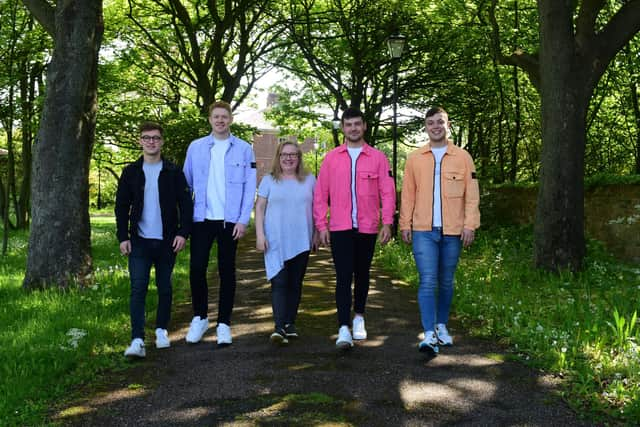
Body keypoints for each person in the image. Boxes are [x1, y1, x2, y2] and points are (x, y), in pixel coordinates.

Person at [399, 107, 480, 355]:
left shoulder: (463, 157)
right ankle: (428, 333)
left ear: (448, 125)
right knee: (428, 281)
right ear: (425, 127)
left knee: (446, 281)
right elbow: (408, 194)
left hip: (453, 231)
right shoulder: (414, 158)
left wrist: (470, 224)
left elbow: (472, 194)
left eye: (440, 122)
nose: (435, 126)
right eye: (431, 122)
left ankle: (442, 326)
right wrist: (405, 223)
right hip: (423, 230)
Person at [313, 107, 396, 349]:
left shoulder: (378, 158)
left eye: (357, 124)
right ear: (343, 128)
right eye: (348, 125)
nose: (353, 128)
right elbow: (320, 194)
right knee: (342, 276)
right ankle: (343, 328)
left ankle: (359, 316)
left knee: (362, 274)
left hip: (368, 227)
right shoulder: (331, 158)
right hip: (339, 227)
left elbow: (387, 192)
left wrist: (387, 222)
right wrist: (321, 224)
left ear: (364, 126)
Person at [115, 121, 193, 358]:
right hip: (138, 241)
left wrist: (182, 233)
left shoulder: (173, 171)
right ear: (140, 141)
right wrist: (122, 237)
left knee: (165, 287)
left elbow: (186, 205)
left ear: (162, 141)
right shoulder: (131, 172)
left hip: (167, 241)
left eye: (156, 138)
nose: (151, 142)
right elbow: (121, 206)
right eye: (147, 137)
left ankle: (161, 330)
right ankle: (137, 340)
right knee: (137, 288)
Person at [183, 100, 256, 347]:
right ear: (210, 119)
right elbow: (187, 185)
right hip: (201, 219)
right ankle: (200, 317)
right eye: (216, 117)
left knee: (227, 272)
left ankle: (224, 323)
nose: (220, 120)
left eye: (225, 117)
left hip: (229, 221)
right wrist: (185, 220)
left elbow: (249, 188)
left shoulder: (244, 149)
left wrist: (243, 220)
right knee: (196, 269)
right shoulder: (196, 148)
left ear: (230, 120)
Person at [255, 141, 316, 345]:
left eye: (293, 155)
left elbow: (317, 209)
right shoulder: (269, 180)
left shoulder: (309, 180)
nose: (288, 158)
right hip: (275, 240)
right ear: (278, 158)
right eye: (284, 155)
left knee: (295, 283)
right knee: (279, 282)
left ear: (299, 158)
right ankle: (279, 326)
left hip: (301, 238)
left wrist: (316, 234)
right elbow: (260, 208)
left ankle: (290, 323)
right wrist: (260, 235)